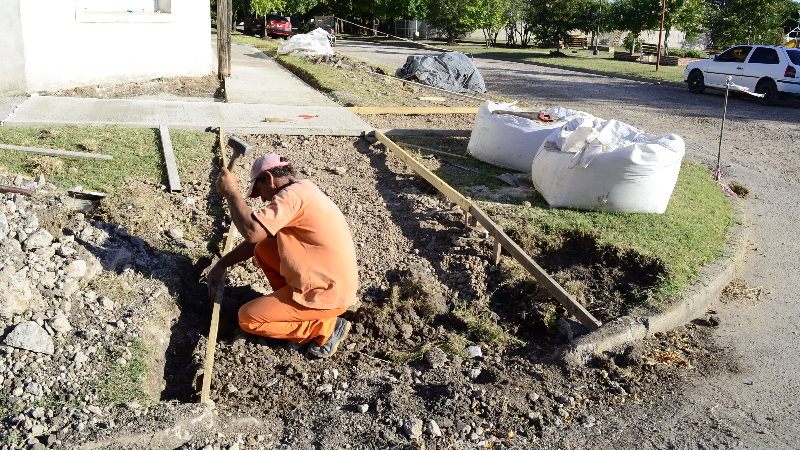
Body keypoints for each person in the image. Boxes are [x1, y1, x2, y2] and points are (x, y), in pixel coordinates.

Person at [207, 153, 358, 358]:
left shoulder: (292, 197)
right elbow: (257, 240)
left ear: (269, 178)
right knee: (264, 249)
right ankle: (302, 314)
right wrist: (222, 264)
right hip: (331, 283)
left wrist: (231, 193)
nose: (262, 198)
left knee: (248, 319)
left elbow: (252, 232)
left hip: (328, 294)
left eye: (259, 190)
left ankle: (324, 329)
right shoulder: (303, 190)